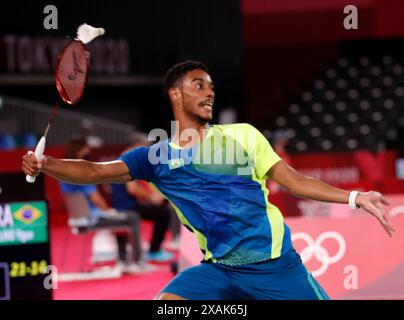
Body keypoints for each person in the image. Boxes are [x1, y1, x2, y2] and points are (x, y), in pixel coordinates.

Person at [22, 61, 395, 300]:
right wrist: (46, 164)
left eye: (211, 86)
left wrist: (356, 198)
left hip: (275, 269)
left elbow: (293, 181)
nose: (210, 92)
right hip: (218, 272)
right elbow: (95, 172)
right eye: (198, 85)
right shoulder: (157, 156)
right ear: (174, 94)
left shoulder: (244, 136)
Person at [60, 137, 155, 274]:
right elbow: (96, 198)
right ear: (79, 150)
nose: (88, 150)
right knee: (131, 218)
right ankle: (138, 262)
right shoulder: (82, 171)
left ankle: (123, 260)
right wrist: (109, 211)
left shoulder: (64, 171)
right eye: (85, 148)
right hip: (91, 218)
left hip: (77, 219)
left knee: (122, 219)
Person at [110, 132, 174, 262]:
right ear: (137, 146)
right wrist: (151, 198)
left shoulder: (120, 159)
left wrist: (151, 196)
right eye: (145, 147)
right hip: (127, 206)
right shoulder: (127, 160)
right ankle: (154, 251)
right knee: (164, 213)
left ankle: (151, 250)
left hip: (121, 204)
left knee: (162, 209)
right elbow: (132, 189)